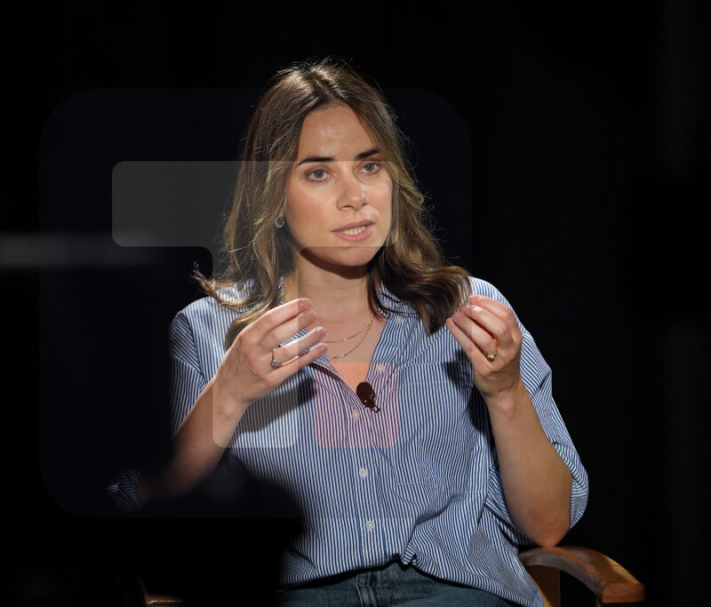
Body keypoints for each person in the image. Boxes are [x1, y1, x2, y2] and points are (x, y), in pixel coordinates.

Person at [110, 59, 588, 607]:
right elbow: (146, 512)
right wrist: (230, 393)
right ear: (273, 198)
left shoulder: (469, 310)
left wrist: (505, 394)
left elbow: (549, 524)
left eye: (369, 166)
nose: (355, 195)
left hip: (455, 592)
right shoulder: (209, 331)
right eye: (319, 173)